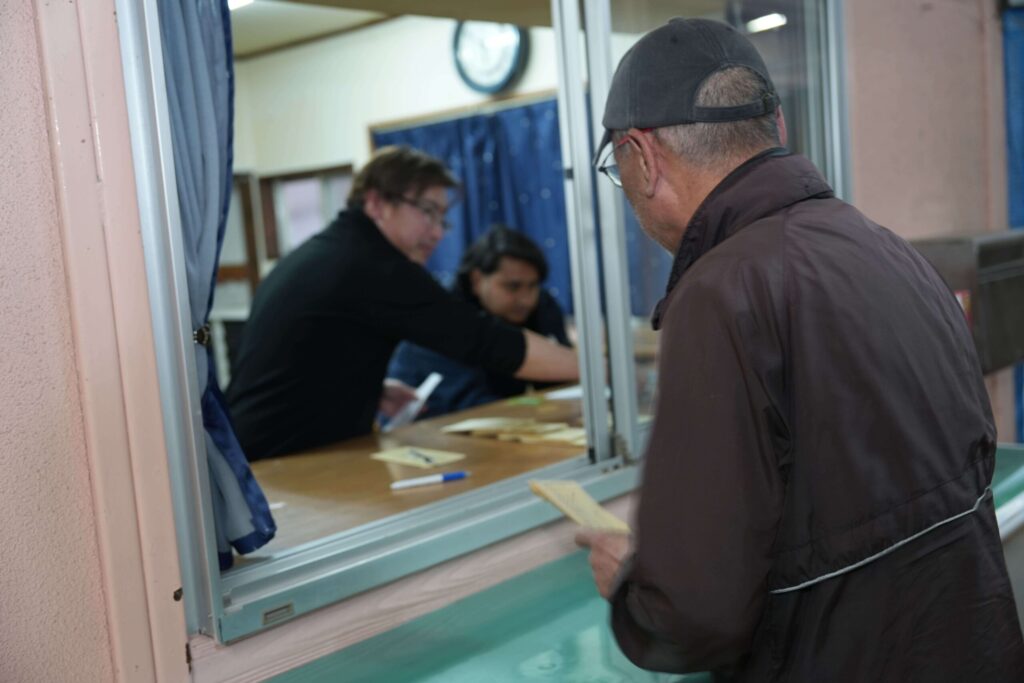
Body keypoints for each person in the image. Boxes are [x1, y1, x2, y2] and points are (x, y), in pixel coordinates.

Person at [574, 17, 1024, 682]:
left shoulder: (722, 293)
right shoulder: (889, 248)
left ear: (642, 155)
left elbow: (694, 617)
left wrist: (633, 589)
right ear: (777, 128)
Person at [227, 146, 578, 460]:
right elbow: (487, 341)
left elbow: (298, 355)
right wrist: (592, 367)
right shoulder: (373, 266)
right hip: (277, 464)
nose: (437, 232)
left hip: (257, 451)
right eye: (428, 211)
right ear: (377, 203)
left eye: (442, 218)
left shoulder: (330, 251)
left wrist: (367, 389)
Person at [387, 225, 571, 419]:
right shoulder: (440, 315)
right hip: (427, 425)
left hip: (496, 415)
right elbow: (469, 403)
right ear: (476, 280)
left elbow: (559, 380)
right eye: (513, 286)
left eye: (533, 286)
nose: (526, 300)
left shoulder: (542, 306)